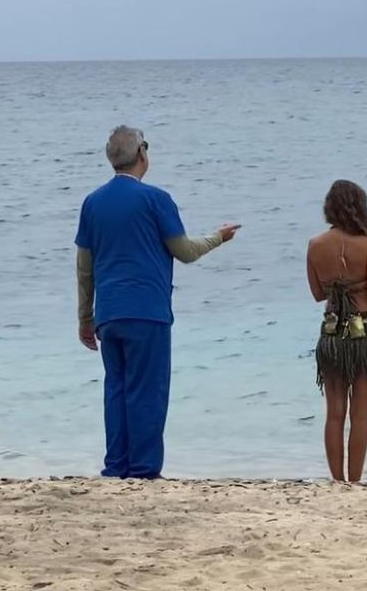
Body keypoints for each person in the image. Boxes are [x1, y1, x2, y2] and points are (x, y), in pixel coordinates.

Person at [76, 125, 240, 479]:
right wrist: (219, 238)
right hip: (147, 310)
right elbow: (185, 251)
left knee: (116, 389)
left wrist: (84, 317)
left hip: (109, 312)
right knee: (147, 391)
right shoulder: (156, 199)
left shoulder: (92, 203)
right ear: (142, 155)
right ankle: (144, 468)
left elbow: (84, 267)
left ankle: (116, 465)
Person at [306, 180, 367, 483]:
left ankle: (336, 481)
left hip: (331, 334)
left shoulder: (315, 245)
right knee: (361, 415)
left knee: (334, 413)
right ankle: (355, 481)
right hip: (365, 330)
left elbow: (317, 293)